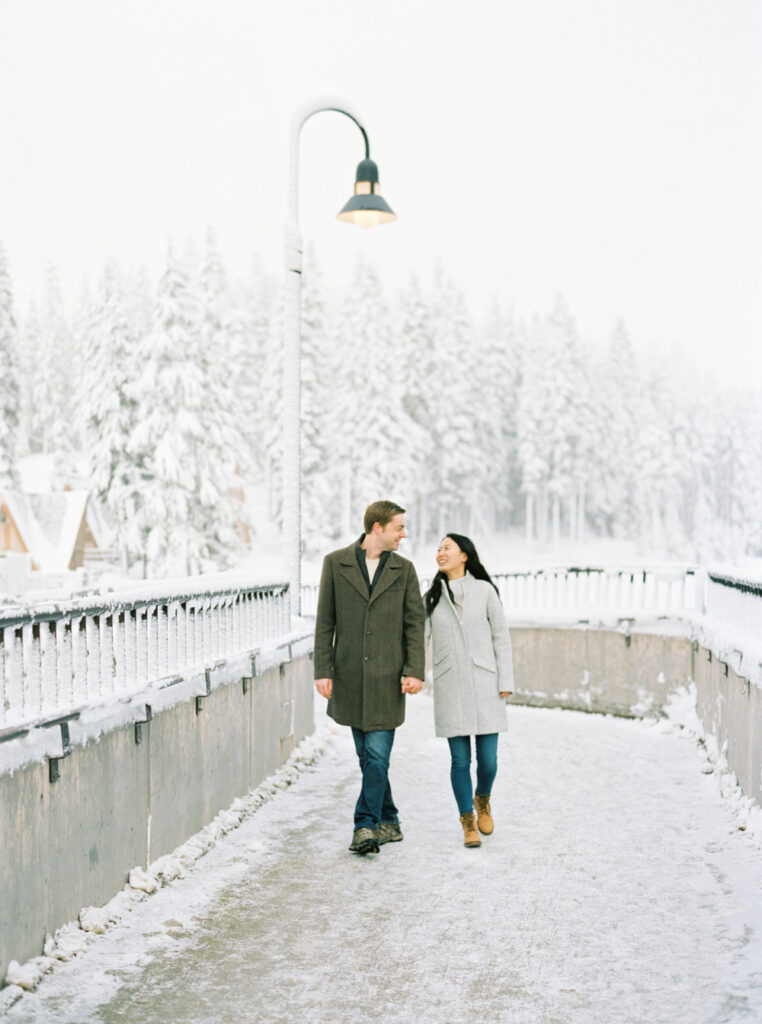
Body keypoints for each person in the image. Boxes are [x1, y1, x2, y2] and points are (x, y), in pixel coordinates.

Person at [314, 500, 425, 855]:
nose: (403, 535)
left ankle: (365, 826)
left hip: (388, 678)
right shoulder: (335, 564)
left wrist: (414, 670)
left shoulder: (404, 570)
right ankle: (389, 819)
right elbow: (325, 622)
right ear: (377, 528)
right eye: (399, 528)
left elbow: (414, 623)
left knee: (377, 755)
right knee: (368, 757)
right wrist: (322, 671)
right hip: (348, 676)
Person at [424, 533, 513, 848]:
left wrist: (505, 682)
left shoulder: (485, 590)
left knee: (488, 761)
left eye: (446, 548)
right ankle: (467, 823)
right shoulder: (432, 596)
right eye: (438, 549)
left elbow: (501, 637)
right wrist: (414, 675)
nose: (440, 553)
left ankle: (483, 798)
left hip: (486, 684)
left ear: (464, 555)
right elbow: (419, 639)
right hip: (451, 686)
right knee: (459, 761)